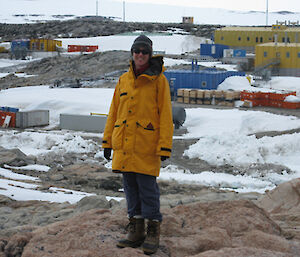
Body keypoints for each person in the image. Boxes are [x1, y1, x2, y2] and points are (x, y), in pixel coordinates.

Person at [102, 34, 173, 255]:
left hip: (146, 145)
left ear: (149, 55)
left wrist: (164, 146)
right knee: (130, 188)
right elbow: (114, 112)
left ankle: (153, 230)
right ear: (132, 54)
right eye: (137, 51)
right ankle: (136, 229)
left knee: (147, 189)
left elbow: (165, 115)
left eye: (144, 52)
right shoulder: (123, 80)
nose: (140, 55)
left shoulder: (159, 80)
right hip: (123, 145)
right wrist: (107, 142)